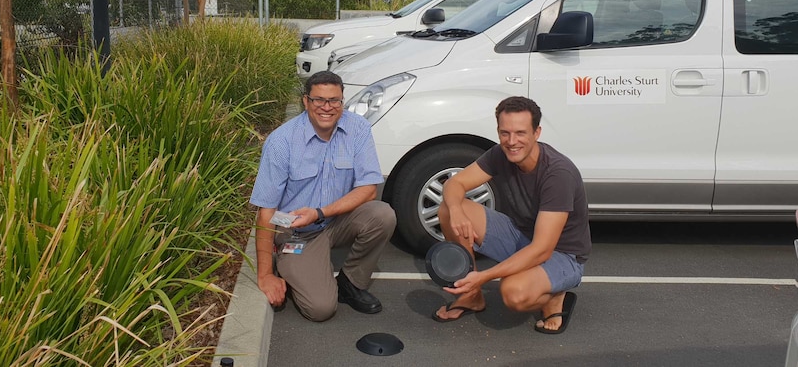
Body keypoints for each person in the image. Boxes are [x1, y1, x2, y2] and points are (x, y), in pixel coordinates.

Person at [432, 96, 591, 334]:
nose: (512, 141)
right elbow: (455, 184)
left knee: (513, 293)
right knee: (447, 208)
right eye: (504, 133)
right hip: (521, 236)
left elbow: (542, 249)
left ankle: (554, 297)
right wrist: (455, 211)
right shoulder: (499, 154)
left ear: (537, 132)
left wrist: (483, 276)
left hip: (562, 255)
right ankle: (471, 296)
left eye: (520, 133)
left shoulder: (557, 174)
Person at [250, 70, 396, 322]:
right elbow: (265, 212)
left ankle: (351, 283)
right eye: (319, 100)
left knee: (383, 214)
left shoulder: (357, 128)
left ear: (342, 101)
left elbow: (369, 189)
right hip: (297, 231)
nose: (326, 107)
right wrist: (265, 275)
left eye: (334, 101)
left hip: (335, 219)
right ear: (305, 101)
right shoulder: (282, 142)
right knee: (320, 309)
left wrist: (320, 213)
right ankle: (293, 263)